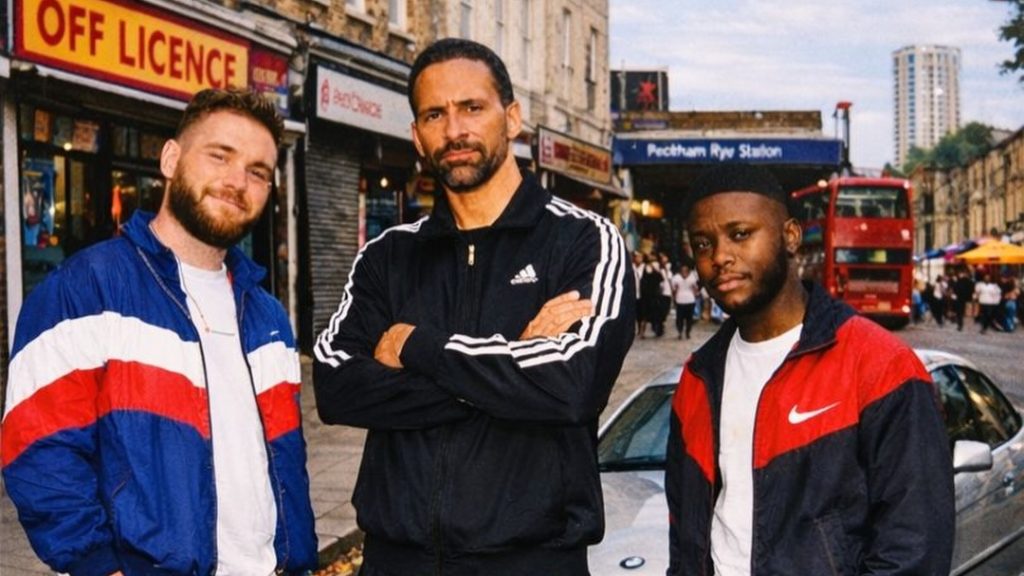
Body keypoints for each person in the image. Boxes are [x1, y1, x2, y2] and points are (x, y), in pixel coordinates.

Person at [312, 38, 635, 575]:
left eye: (472, 108)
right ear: (416, 135)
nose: (455, 130)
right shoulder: (388, 256)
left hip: (531, 562)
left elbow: (572, 384)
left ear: (512, 119)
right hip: (398, 561)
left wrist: (417, 344)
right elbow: (337, 387)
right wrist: (516, 363)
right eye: (435, 114)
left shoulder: (582, 241)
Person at [1, 89, 318, 575]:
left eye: (258, 171)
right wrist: (97, 565)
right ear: (171, 158)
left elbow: (283, 464)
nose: (238, 181)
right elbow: (38, 448)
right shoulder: (87, 287)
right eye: (220, 155)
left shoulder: (269, 316)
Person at [665, 164, 954, 575]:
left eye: (740, 234)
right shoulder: (696, 380)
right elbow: (685, 539)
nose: (720, 257)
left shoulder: (881, 366)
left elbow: (915, 549)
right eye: (702, 243)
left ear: (791, 237)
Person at [670, 261, 699, 339]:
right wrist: (674, 298)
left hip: (690, 300)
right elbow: (674, 289)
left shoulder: (692, 277)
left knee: (689, 318)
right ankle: (680, 331)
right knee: (679, 318)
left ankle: (687, 332)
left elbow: (695, 289)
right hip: (680, 300)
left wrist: (696, 295)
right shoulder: (676, 278)